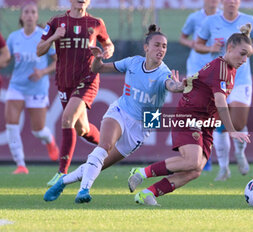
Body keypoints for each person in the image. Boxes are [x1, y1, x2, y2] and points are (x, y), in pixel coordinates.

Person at [43, 24, 185, 203]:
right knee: (105, 145)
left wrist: (179, 86)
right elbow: (98, 68)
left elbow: (171, 85)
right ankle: (83, 190)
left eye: (164, 46)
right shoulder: (133, 62)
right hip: (121, 111)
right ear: (146, 47)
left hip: (144, 125)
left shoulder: (164, 72)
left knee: (98, 164)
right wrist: (97, 58)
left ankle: (62, 182)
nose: (161, 49)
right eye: (157, 45)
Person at [127, 24, 252, 206]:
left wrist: (184, 85)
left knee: (195, 169)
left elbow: (197, 81)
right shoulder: (222, 68)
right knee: (191, 160)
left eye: (247, 55)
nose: (245, 60)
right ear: (230, 48)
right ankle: (140, 173)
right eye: (242, 54)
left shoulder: (229, 69)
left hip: (206, 123)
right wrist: (231, 130)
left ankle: (147, 193)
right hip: (190, 115)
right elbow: (220, 101)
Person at [37, 0, 114, 186]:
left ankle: (62, 173)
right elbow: (39, 50)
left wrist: (104, 54)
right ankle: (108, 146)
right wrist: (54, 37)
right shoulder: (55, 22)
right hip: (65, 81)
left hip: (88, 79)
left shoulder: (96, 23)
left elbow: (109, 46)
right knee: (82, 129)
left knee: (67, 119)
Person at [194, 0, 253, 181]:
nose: (231, 2)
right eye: (228, 0)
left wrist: (250, 51)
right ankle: (224, 168)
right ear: (222, 2)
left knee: (238, 123)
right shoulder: (211, 21)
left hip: (241, 80)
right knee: (219, 124)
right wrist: (209, 48)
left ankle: (240, 153)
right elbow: (197, 44)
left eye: (235, 0)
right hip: (219, 79)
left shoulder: (250, 20)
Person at [4, 3, 58, 174]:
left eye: (32, 12)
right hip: (16, 86)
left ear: (36, 16)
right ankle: (20, 164)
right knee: (11, 124)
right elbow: (6, 59)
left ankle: (49, 140)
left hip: (37, 88)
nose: (29, 15)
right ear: (21, 17)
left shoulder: (43, 37)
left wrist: (43, 71)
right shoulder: (13, 38)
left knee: (38, 130)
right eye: (26, 12)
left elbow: (57, 62)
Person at [179, 0, 221, 171]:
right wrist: (194, 45)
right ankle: (194, 155)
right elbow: (183, 38)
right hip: (196, 67)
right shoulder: (194, 17)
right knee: (194, 110)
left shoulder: (221, 18)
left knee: (212, 112)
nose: (213, 2)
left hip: (215, 69)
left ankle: (205, 155)